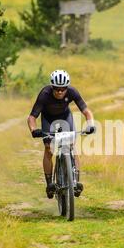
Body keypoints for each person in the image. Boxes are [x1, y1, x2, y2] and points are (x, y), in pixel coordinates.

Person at [27, 70, 95, 199]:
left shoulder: (72, 92)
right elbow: (31, 117)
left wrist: (90, 124)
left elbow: (86, 111)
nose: (59, 92)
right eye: (57, 89)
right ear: (52, 87)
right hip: (48, 119)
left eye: (62, 89)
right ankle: (49, 184)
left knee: (71, 146)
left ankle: (75, 181)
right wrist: (34, 130)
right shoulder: (45, 94)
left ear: (67, 87)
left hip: (65, 117)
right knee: (49, 148)